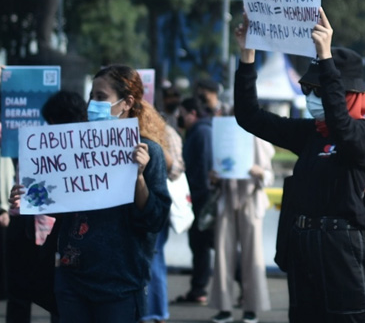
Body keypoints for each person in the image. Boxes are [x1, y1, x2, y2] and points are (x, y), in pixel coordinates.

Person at [233, 7, 365, 323]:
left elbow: (341, 126)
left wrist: (325, 57)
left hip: (341, 247)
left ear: (346, 93)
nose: (313, 98)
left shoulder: (364, 133)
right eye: (308, 91)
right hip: (303, 246)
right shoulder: (309, 133)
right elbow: (249, 116)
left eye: (321, 92)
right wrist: (246, 59)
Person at [12, 66, 171, 322]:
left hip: (119, 284)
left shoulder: (149, 152)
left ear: (127, 103)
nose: (91, 104)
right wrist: (30, 199)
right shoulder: (75, 145)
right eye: (91, 96)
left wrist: (138, 177)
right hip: (72, 279)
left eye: (100, 97)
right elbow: (67, 203)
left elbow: (154, 219)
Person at [5, 90, 86, 323]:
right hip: (38, 227)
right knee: (52, 293)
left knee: (51, 293)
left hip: (51, 230)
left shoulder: (43, 144)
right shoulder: (38, 145)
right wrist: (22, 197)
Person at [208, 136, 275, 323]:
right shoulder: (224, 137)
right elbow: (214, 174)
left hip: (251, 200)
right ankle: (224, 307)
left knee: (253, 256)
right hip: (226, 199)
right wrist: (214, 176)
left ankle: (251, 307)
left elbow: (269, 176)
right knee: (222, 255)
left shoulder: (258, 138)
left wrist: (258, 171)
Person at [141, 122, 185, 323]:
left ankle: (156, 312)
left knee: (155, 258)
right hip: (142, 206)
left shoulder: (164, 133)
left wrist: (157, 151)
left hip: (155, 204)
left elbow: (176, 169)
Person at [174, 96, 214, 306]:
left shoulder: (202, 132)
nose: (179, 117)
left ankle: (244, 281)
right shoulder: (197, 131)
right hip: (197, 197)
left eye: (182, 113)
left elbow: (202, 168)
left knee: (208, 242)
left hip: (200, 198)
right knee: (202, 245)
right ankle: (198, 289)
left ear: (193, 114)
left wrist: (195, 194)